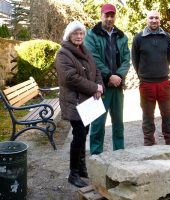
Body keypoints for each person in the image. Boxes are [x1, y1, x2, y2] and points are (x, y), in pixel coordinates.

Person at [55, 20, 104, 187]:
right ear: (69, 35)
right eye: (75, 33)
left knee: (84, 134)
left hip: (88, 102)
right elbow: (71, 78)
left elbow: (96, 70)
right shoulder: (63, 54)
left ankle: (81, 167)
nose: (79, 36)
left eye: (81, 33)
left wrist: (99, 87)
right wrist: (94, 88)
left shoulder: (84, 50)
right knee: (79, 136)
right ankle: (73, 173)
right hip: (74, 102)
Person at [84, 3, 130, 155]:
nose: (109, 18)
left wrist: (118, 76)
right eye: (106, 15)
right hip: (99, 87)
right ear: (101, 16)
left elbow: (126, 59)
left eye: (112, 15)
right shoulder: (91, 35)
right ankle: (96, 156)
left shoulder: (122, 36)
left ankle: (120, 154)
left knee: (118, 123)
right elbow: (93, 59)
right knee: (97, 123)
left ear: (115, 17)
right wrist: (109, 76)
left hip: (117, 87)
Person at [131, 10, 170, 146]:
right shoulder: (139, 38)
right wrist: (144, 76)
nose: (154, 20)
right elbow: (135, 60)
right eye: (151, 18)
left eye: (156, 18)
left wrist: (161, 71)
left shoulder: (166, 37)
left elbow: (168, 57)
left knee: (167, 114)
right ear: (147, 20)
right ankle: (149, 143)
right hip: (146, 84)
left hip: (164, 83)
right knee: (148, 115)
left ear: (160, 20)